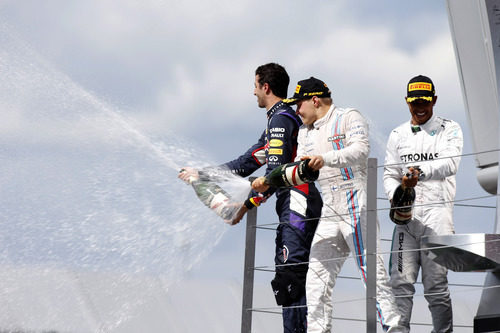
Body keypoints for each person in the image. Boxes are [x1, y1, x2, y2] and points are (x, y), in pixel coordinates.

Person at [179, 63, 323, 333]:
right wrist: (203, 174)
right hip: (292, 202)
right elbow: (247, 163)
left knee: (290, 278)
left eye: (255, 85)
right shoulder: (277, 119)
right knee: (288, 279)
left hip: (298, 202)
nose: (253, 91)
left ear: (265, 87)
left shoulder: (280, 119)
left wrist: (244, 206)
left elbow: (275, 171)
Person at [254, 77, 403, 332]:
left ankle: (395, 328)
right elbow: (296, 169)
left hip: (357, 203)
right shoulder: (304, 131)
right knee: (316, 279)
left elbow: (361, 150)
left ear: (314, 100)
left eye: (299, 104)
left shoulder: (349, 117)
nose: (297, 111)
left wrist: (325, 158)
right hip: (329, 210)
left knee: (372, 274)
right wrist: (267, 182)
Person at [383, 75, 463, 332]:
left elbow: (451, 163)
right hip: (406, 219)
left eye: (425, 102)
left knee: (436, 287)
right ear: (407, 102)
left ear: (434, 100)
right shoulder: (397, 134)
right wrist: (397, 198)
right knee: (399, 285)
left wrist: (419, 172)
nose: (419, 107)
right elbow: (389, 174)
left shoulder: (449, 129)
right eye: (414, 101)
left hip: (438, 217)